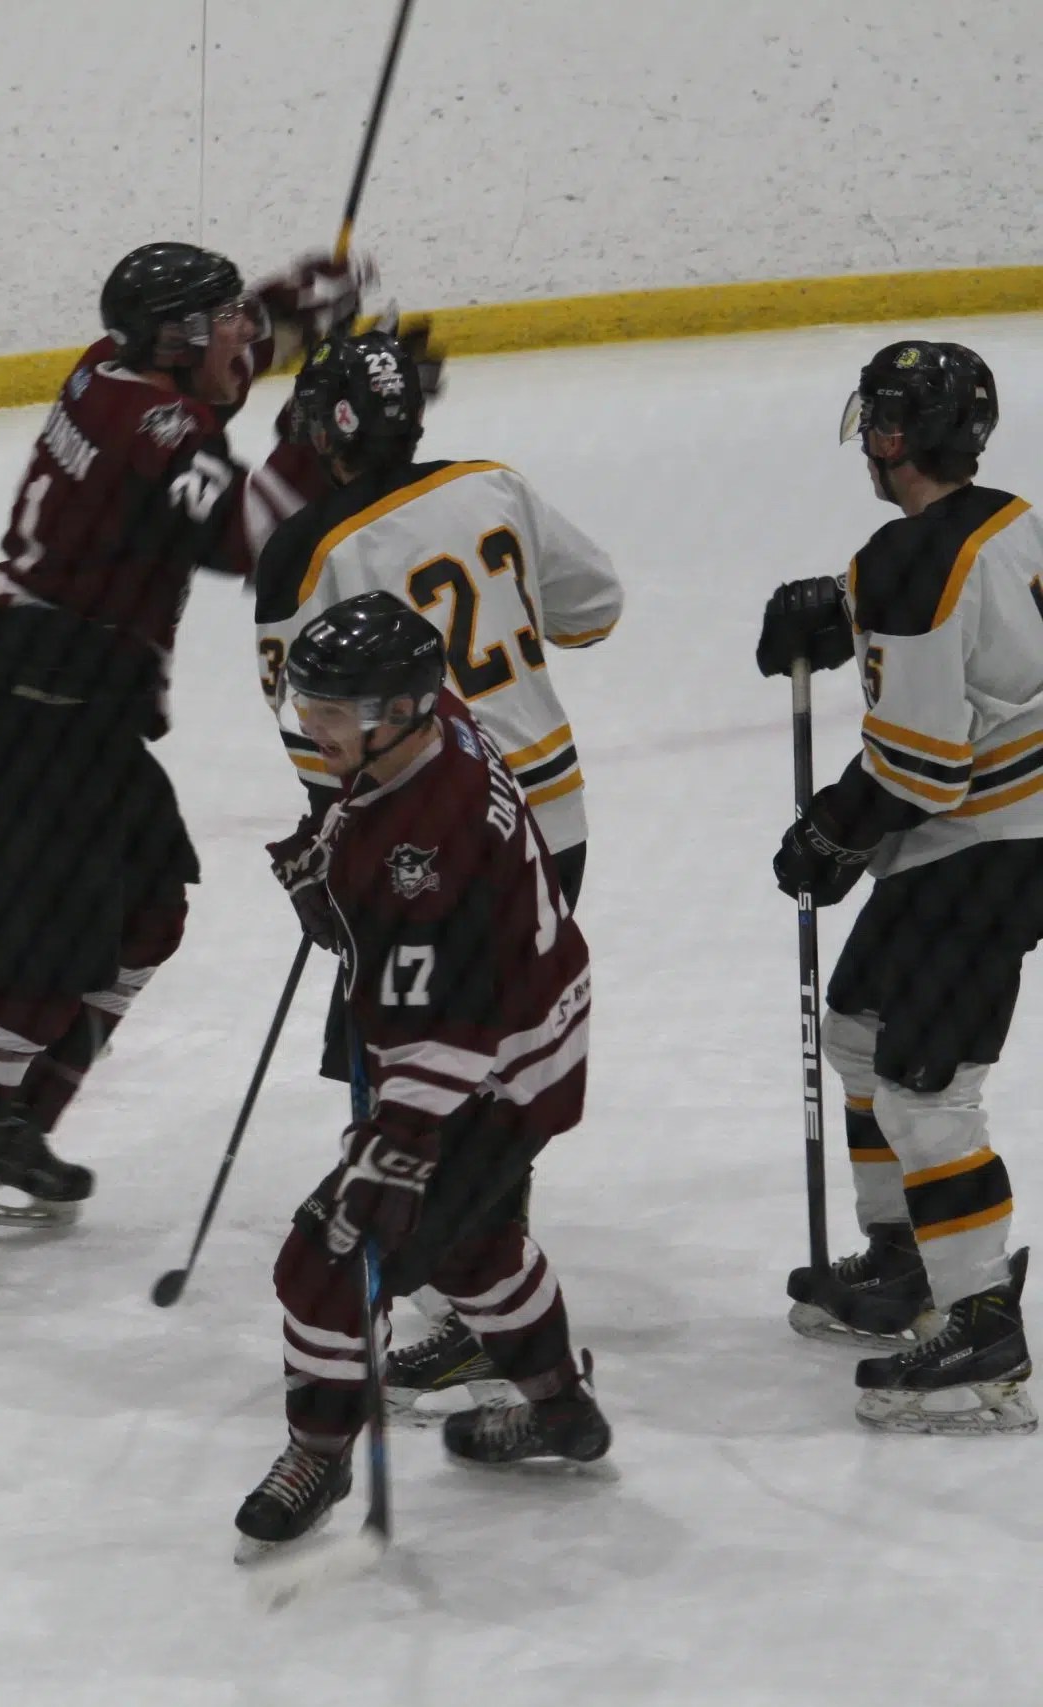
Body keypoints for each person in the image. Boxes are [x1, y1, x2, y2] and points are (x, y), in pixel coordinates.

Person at [0, 239, 368, 1289]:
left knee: (146, 913)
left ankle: (10, 1125)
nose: (238, 339)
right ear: (176, 340)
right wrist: (317, 430)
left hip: (75, 709)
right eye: (221, 322)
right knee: (32, 978)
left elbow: (206, 389)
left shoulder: (118, 371)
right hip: (41, 712)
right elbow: (250, 532)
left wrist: (278, 313)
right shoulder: (148, 423)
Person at [253, 327, 624, 1412]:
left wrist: (335, 864)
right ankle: (483, 1275)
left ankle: (459, 1273)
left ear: (330, 429)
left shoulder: (302, 553)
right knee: (492, 1063)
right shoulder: (491, 485)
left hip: (416, 836)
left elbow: (311, 743)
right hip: (544, 816)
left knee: (413, 1047)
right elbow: (594, 608)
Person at [237, 593, 607, 1559]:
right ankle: (564, 1410)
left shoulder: (419, 852)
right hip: (536, 1039)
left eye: (329, 712)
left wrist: (395, 1154)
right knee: (473, 1250)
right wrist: (333, 876)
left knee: (323, 1264)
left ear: (395, 711)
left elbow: (444, 1027)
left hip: (484, 1076)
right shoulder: (438, 725)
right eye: (309, 703)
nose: (310, 726)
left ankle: (317, 1455)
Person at [758, 339, 1039, 1436]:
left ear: (893, 435)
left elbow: (921, 764)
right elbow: (967, 613)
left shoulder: (916, 561)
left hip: (990, 845)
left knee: (927, 1086)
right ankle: (905, 1255)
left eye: (875, 424)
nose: (867, 445)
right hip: (989, 834)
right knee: (861, 1030)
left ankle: (981, 1326)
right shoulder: (1005, 516)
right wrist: (841, 601)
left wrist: (831, 835)